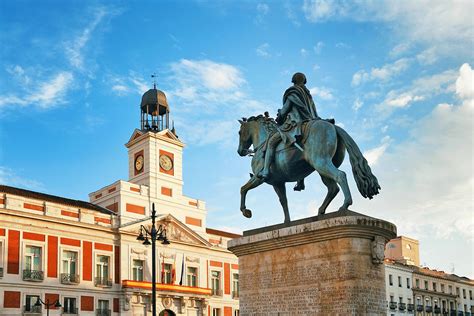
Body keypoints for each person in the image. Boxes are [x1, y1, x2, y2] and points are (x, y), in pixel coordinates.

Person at [258, 72, 320, 191]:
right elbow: (312, 111)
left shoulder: (293, 92)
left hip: (294, 124)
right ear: (304, 80)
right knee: (303, 149)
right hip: (310, 121)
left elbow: (286, 109)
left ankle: (265, 171)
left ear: (293, 81)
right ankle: (300, 180)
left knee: (271, 142)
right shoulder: (308, 94)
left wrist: (280, 114)